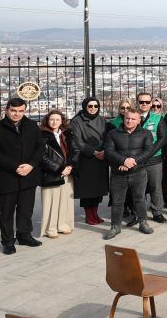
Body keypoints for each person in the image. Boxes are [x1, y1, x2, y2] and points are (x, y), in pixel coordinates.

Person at [0, 97, 44, 254]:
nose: (17, 114)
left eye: (21, 111)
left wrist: (31, 165)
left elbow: (40, 147)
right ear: (6, 110)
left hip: (29, 174)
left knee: (26, 209)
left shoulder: (32, 126)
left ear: (24, 111)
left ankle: (24, 236)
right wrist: (16, 167)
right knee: (7, 212)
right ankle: (7, 241)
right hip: (7, 176)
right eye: (13, 111)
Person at [102, 106, 155, 239]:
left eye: (133, 119)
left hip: (138, 172)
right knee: (117, 201)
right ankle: (115, 226)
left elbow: (148, 151)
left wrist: (131, 162)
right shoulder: (112, 133)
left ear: (139, 121)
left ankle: (143, 222)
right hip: (118, 173)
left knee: (140, 199)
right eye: (127, 118)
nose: (129, 121)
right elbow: (109, 151)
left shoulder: (145, 133)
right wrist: (123, 161)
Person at [68, 96, 109, 227]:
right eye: (90, 106)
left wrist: (103, 151)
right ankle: (88, 214)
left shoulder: (102, 120)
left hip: (101, 158)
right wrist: (94, 152)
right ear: (85, 106)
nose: (93, 109)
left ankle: (95, 213)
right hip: (86, 159)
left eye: (95, 106)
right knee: (87, 189)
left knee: (98, 188)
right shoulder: (77, 121)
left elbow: (106, 137)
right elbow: (78, 142)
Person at [37, 109, 74, 238]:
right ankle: (50, 228)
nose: (54, 122)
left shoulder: (66, 133)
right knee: (50, 202)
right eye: (52, 119)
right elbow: (41, 156)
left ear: (62, 121)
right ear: (47, 120)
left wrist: (70, 166)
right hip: (51, 173)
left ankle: (62, 224)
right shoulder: (41, 134)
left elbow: (74, 151)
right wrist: (59, 169)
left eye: (57, 119)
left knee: (64, 201)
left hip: (67, 172)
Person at [134, 92, 167, 222]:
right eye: (141, 102)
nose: (144, 104)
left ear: (150, 103)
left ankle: (157, 212)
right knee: (139, 189)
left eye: (147, 102)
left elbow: (163, 138)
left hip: (154, 159)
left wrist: (148, 153)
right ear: (137, 102)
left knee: (155, 187)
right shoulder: (132, 117)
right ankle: (139, 213)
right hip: (136, 160)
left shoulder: (158, 118)